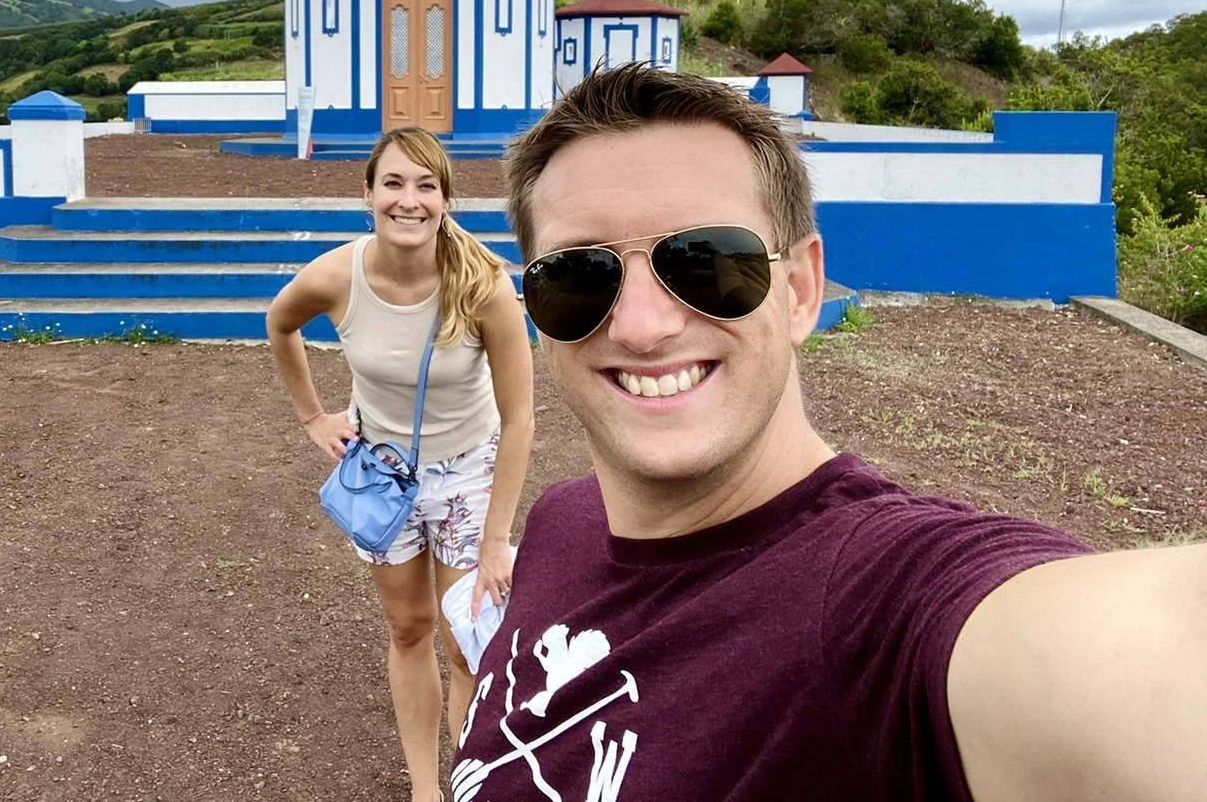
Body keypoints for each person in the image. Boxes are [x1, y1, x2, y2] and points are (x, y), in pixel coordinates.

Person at [451, 61, 1207, 802]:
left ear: (803, 290)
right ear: (538, 313)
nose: (643, 328)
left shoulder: (883, 602)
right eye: (581, 277)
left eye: (708, 262)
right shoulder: (560, 524)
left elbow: (1138, 659)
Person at [267, 125, 535, 802]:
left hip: (469, 478)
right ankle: (425, 789)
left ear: (445, 199)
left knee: (462, 640)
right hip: (383, 478)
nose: (407, 200)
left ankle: (469, 775)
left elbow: (521, 418)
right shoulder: (338, 275)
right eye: (393, 183)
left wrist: (499, 537)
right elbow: (280, 323)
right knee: (409, 628)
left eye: (425, 185)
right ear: (368, 194)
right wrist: (312, 417)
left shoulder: (484, 286)